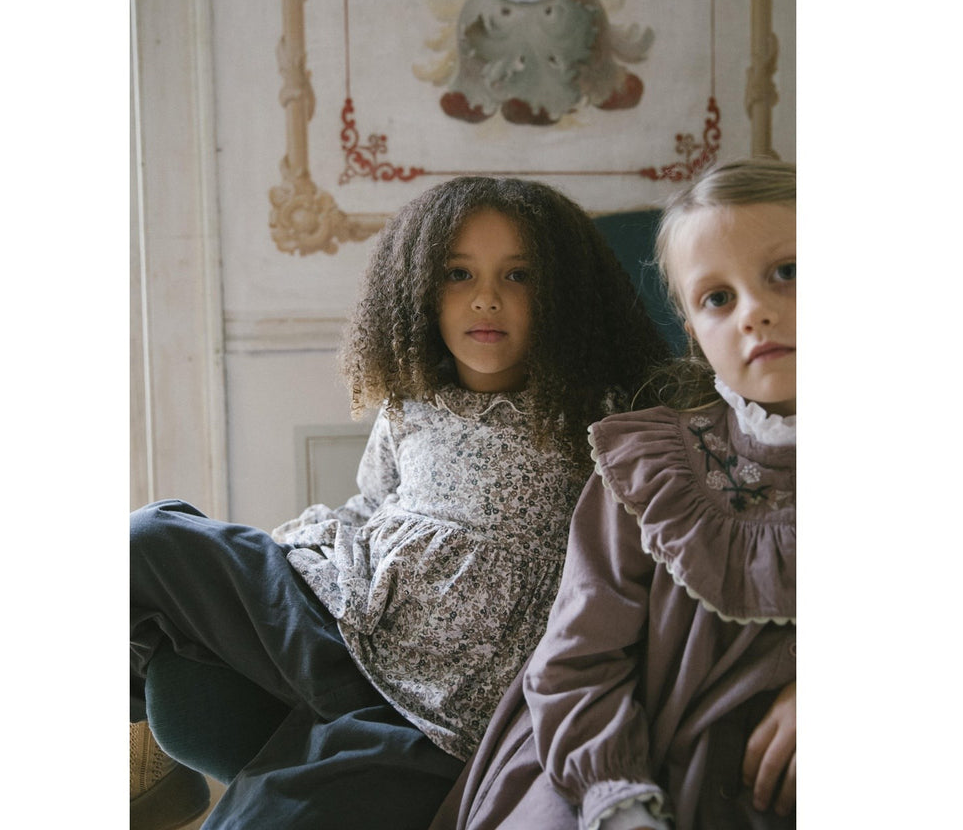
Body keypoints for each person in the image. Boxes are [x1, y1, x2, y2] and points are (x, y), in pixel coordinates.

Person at [130, 176, 670, 830]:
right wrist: (276, 566)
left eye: (519, 275)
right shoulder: (410, 401)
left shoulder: (608, 421)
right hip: (340, 618)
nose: (487, 298)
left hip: (434, 714)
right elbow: (369, 504)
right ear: (419, 290)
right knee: (147, 537)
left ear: (564, 293)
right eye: (459, 274)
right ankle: (143, 768)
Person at [428, 158, 797, 830]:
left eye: (789, 272)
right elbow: (576, 662)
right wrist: (619, 799)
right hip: (614, 764)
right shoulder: (648, 466)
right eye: (718, 298)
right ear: (692, 329)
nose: (757, 313)